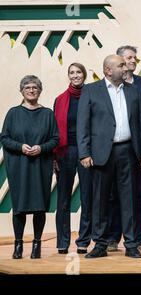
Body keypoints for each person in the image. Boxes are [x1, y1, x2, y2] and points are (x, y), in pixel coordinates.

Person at [77, 55, 141, 259]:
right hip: (101, 153)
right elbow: (83, 124)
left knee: (129, 199)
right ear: (108, 70)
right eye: (120, 65)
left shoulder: (133, 90)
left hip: (128, 151)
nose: (125, 68)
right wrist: (84, 152)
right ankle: (100, 244)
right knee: (99, 200)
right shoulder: (91, 90)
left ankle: (131, 244)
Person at [1, 75, 59, 259]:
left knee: (39, 207)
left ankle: (37, 245)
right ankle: (18, 245)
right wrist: (20, 147)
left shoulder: (48, 114)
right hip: (19, 166)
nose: (31, 90)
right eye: (28, 87)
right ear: (22, 91)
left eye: (35, 87)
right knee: (19, 207)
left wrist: (41, 148)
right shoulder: (13, 113)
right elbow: (4, 138)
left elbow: (55, 139)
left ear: (40, 91)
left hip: (41, 165)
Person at [106, 45, 141, 252]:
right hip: (111, 148)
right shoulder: (108, 86)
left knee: (137, 194)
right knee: (114, 195)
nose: (133, 61)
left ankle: (140, 236)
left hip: (136, 149)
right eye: (128, 58)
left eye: (135, 57)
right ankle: (113, 237)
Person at [54, 63, 93, 255]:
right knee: (63, 198)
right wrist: (54, 155)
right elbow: (55, 130)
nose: (75, 75)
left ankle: (83, 241)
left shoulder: (93, 96)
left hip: (87, 152)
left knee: (87, 197)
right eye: (72, 72)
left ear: (84, 75)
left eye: (79, 72)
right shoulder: (60, 99)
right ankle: (62, 241)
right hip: (65, 151)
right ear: (68, 76)